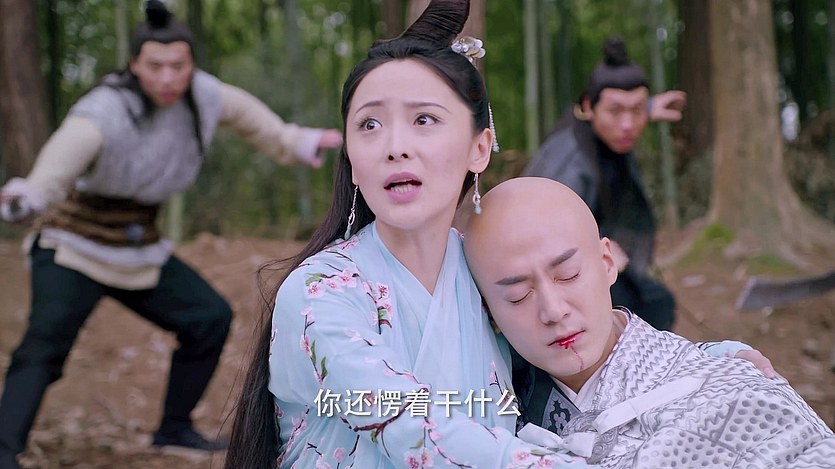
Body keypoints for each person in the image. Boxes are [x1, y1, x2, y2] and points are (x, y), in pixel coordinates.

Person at [224, 1, 603, 468]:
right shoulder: (320, 294)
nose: (395, 147)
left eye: (423, 119)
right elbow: (415, 432)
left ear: (480, 147)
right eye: (370, 125)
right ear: (352, 161)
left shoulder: (491, 278)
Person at [0, 1, 341, 467]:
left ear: (191, 65)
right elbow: (54, 171)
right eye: (155, 66)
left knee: (208, 318)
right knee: (43, 348)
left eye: (178, 66)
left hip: (138, 249)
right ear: (134, 65)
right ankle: (5, 450)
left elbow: (256, 123)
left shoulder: (204, 96)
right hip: (73, 247)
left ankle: (174, 429)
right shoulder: (104, 109)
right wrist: (28, 197)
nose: (167, 78)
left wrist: (298, 142)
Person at [464, 177, 835, 467]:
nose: (553, 310)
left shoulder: (734, 391)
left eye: (569, 274)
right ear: (489, 313)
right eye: (518, 296)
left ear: (607, 263)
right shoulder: (487, 405)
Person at [522, 36, 680, 331]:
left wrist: (648, 106)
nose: (628, 125)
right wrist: (594, 249)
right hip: (554, 279)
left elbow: (623, 110)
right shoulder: (570, 164)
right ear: (588, 106)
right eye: (616, 111)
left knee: (658, 301)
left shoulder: (603, 133)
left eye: (637, 110)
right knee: (652, 306)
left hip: (597, 259)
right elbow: (540, 235)